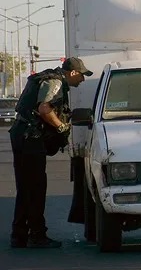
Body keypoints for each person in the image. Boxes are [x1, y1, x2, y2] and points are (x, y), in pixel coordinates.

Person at [9, 57, 91, 249]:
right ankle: (37, 235)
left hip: (22, 134)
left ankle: (19, 234)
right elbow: (45, 109)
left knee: (25, 186)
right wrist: (62, 126)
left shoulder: (46, 78)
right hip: (31, 137)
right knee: (36, 187)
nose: (82, 80)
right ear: (72, 73)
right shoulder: (55, 82)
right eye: (81, 75)